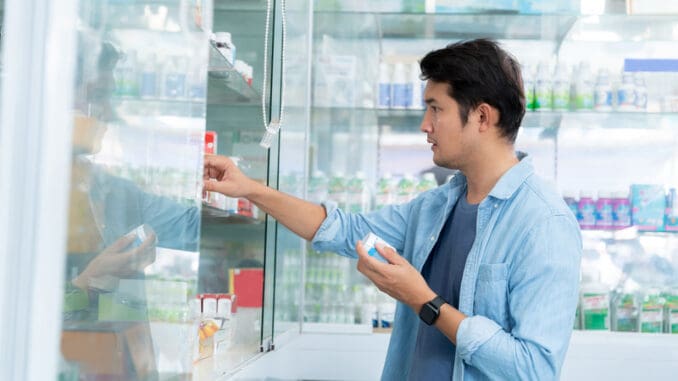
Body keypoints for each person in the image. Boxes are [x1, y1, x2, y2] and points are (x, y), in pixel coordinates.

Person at [203, 39, 582, 380]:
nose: (424, 125)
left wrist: (425, 301)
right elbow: (342, 229)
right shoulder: (436, 207)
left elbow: (534, 368)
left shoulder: (544, 224)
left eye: (436, 109)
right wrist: (249, 188)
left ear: (482, 117)